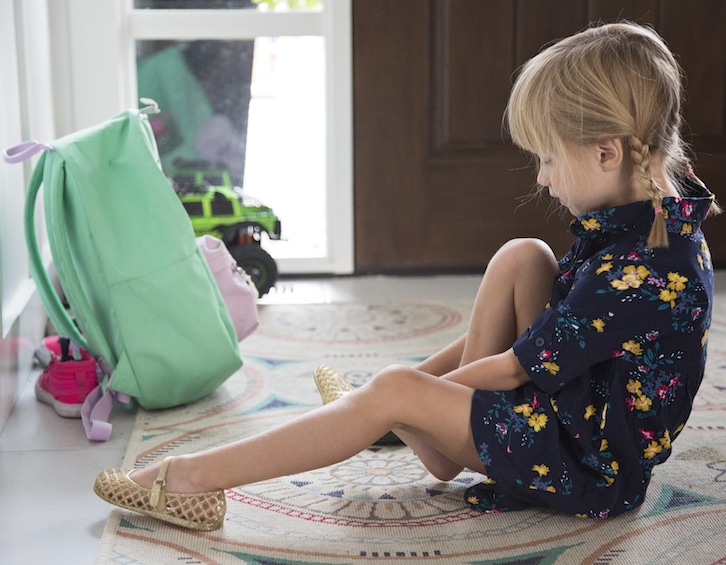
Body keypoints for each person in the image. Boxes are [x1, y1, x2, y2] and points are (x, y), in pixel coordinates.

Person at [94, 21, 719, 529]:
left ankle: (192, 479)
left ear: (608, 151)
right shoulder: (659, 211)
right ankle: (404, 420)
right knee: (523, 255)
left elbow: (512, 367)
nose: (542, 177)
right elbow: (558, 329)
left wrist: (403, 403)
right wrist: (424, 396)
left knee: (393, 391)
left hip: (586, 464)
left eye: (550, 158)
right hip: (581, 412)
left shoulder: (641, 269)